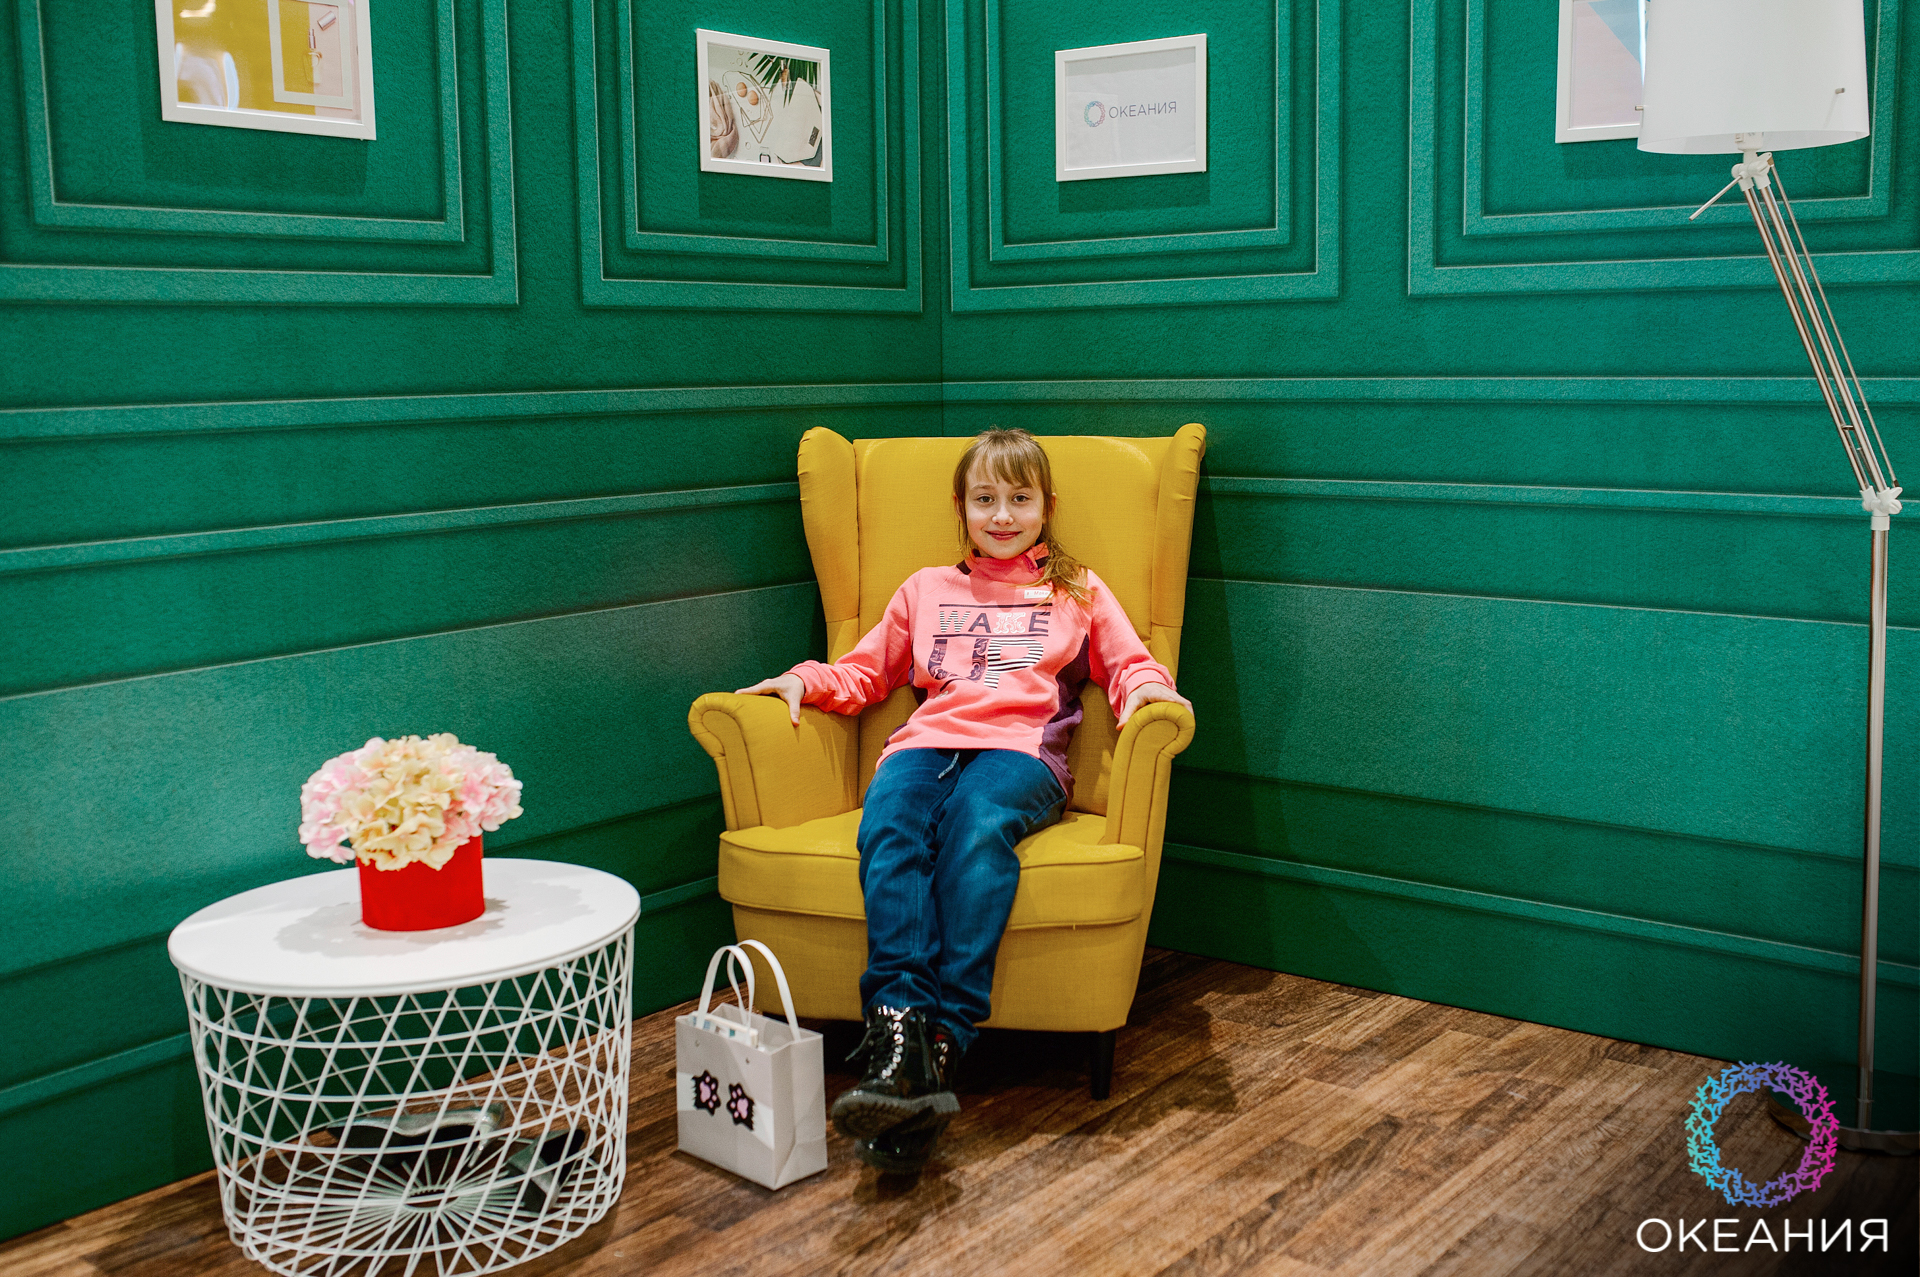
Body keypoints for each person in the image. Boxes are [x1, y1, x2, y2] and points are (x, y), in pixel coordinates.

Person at [736, 428, 1191, 1172]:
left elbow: (1129, 663)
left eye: (1019, 498)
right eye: (985, 499)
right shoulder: (925, 588)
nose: (1002, 515)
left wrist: (1149, 694)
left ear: (1047, 507)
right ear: (961, 507)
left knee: (975, 830)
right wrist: (803, 680)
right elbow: (864, 672)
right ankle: (899, 1029)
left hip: (1020, 754)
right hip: (923, 747)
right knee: (890, 828)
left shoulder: (1076, 589)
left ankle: (946, 1034)